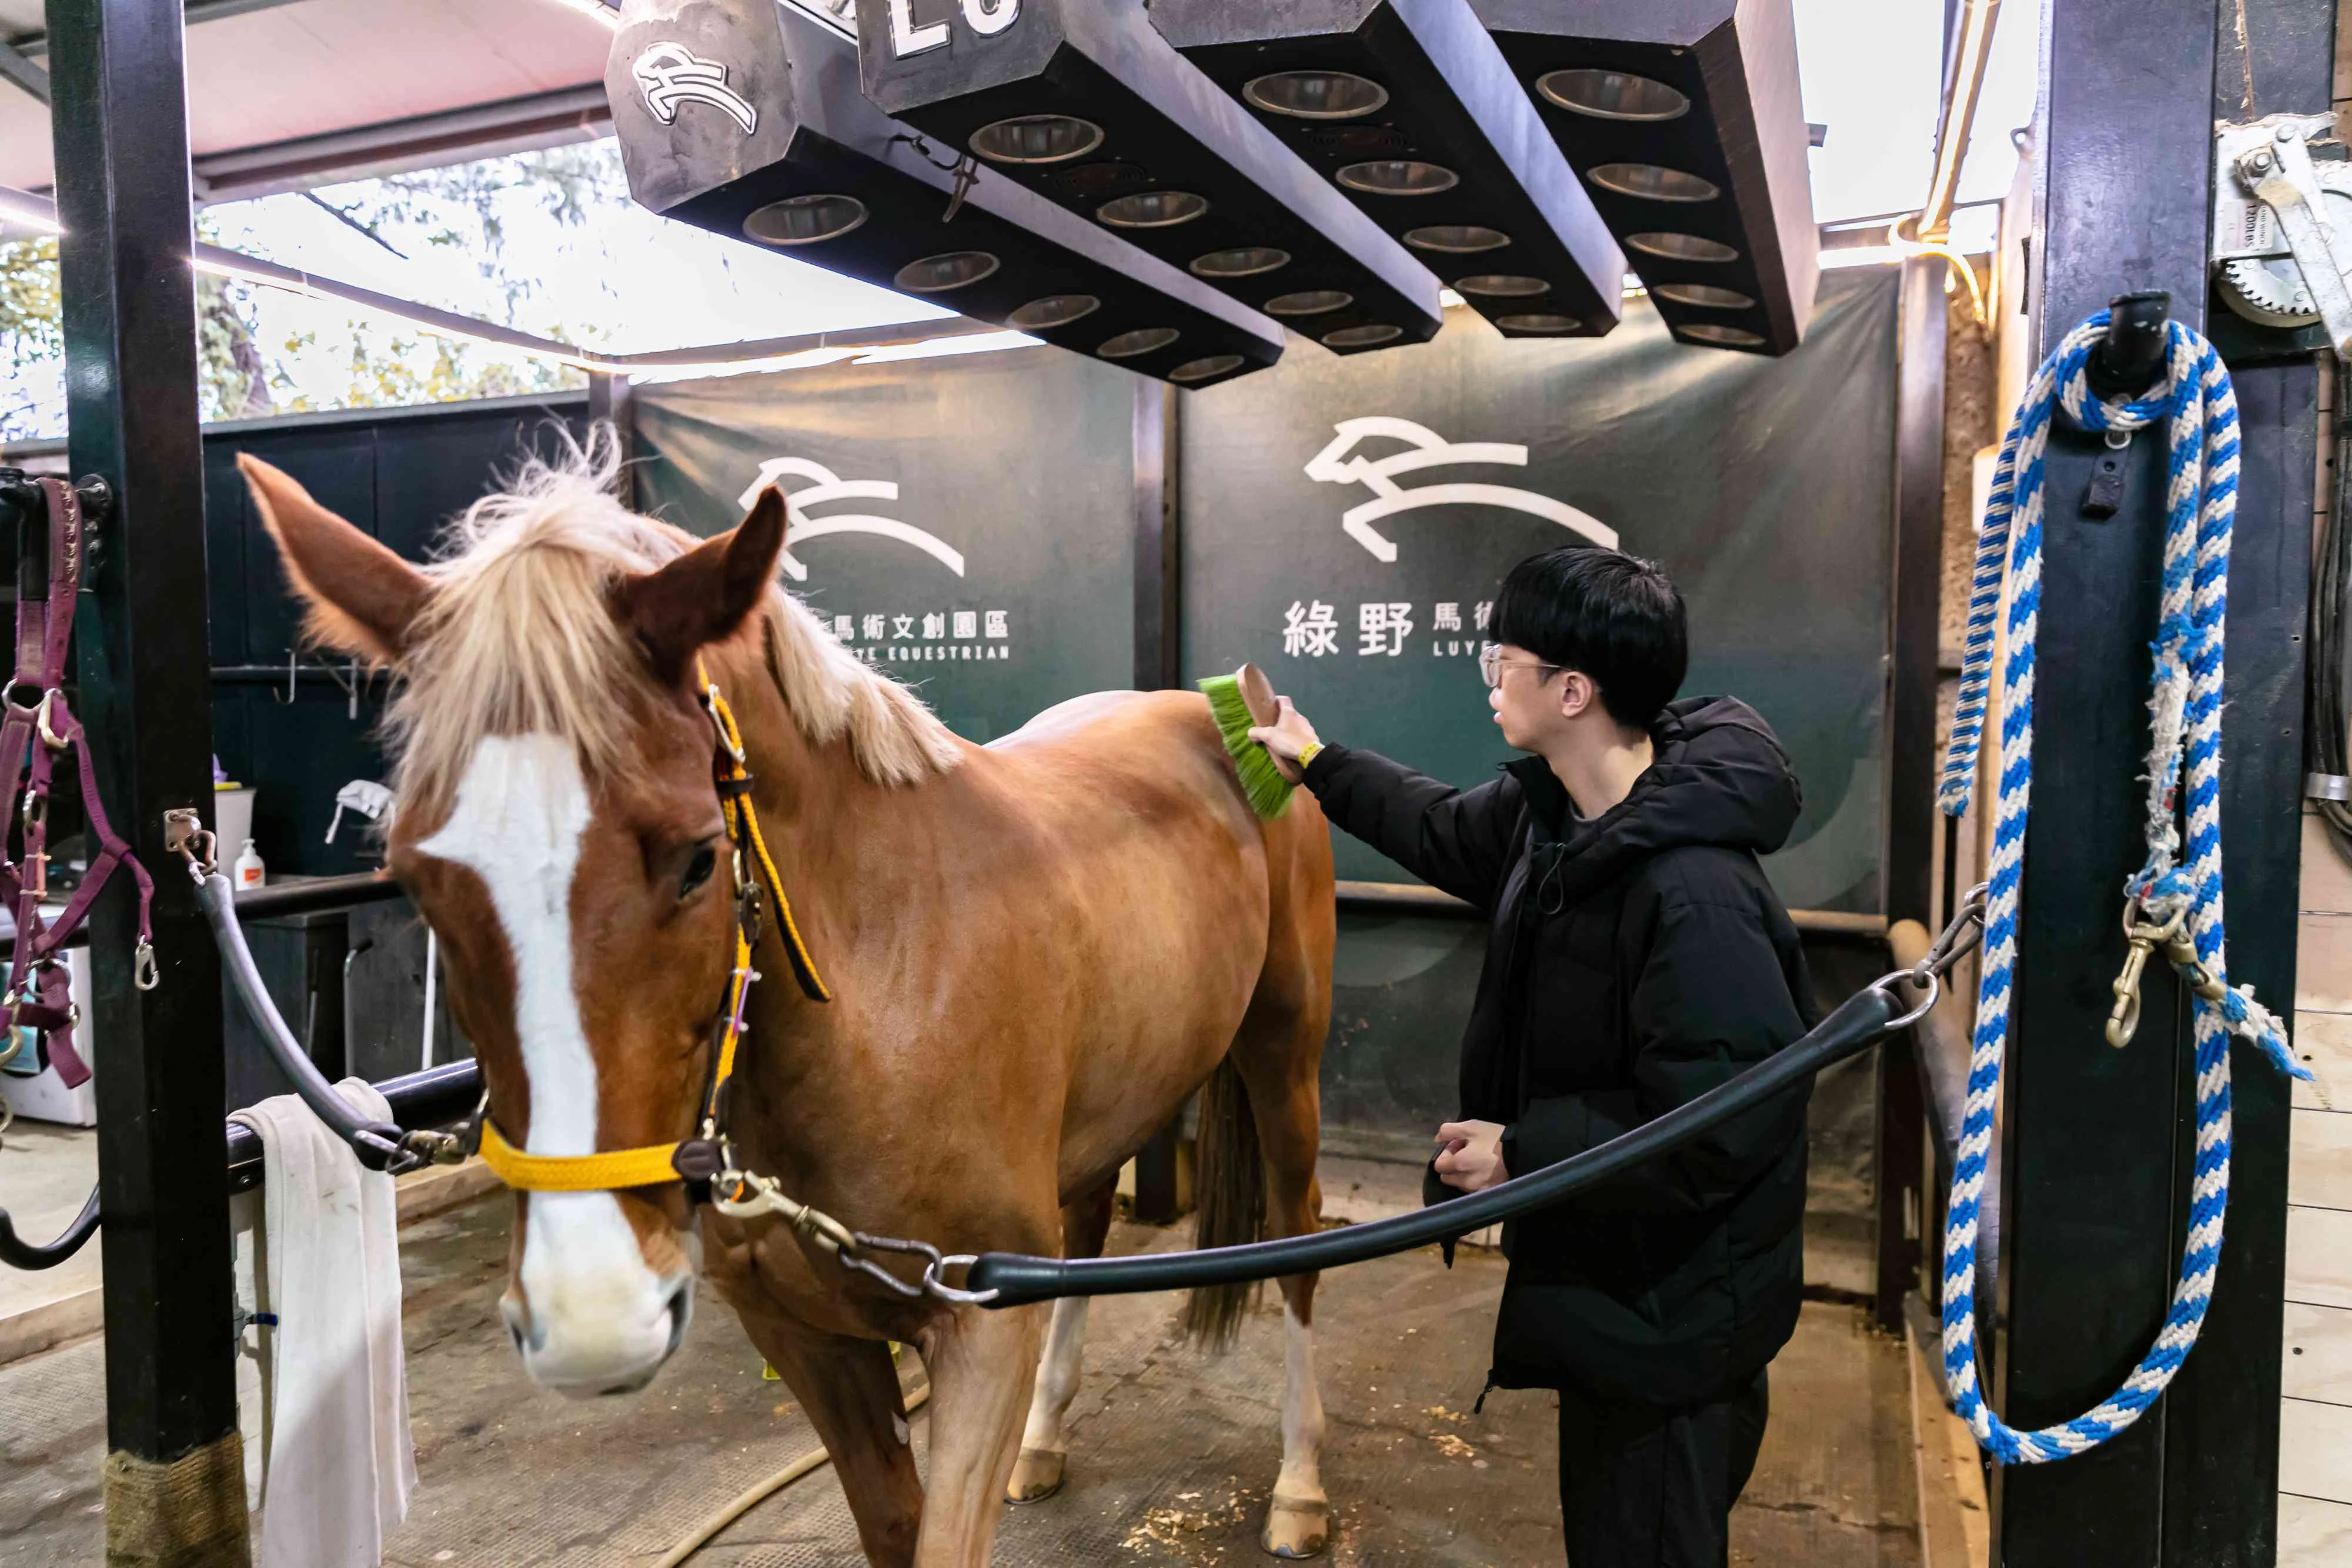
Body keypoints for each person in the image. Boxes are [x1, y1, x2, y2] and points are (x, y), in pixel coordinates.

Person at [1249, 544, 1817, 1568]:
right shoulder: (1554, 812)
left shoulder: (1692, 890)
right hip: (1620, 1289)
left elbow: (1723, 1128)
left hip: (1674, 1319)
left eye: (1500, 656)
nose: (1489, 675)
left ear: (1572, 689)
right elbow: (1436, 825)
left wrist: (1524, 1151)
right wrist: (1317, 760)